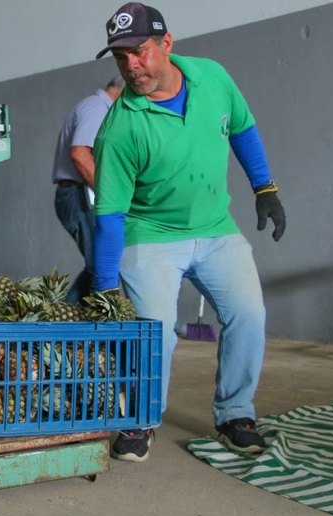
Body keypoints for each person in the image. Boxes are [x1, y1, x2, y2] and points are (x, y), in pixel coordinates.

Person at [92, 3, 286, 462]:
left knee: (249, 313)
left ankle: (235, 414)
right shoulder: (120, 128)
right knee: (154, 330)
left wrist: (265, 188)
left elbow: (242, 129)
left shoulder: (212, 78)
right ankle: (139, 419)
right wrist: (104, 288)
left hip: (216, 227)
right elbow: (110, 217)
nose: (131, 66)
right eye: (121, 58)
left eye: (139, 52)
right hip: (150, 233)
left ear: (166, 43)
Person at [51, 77, 125, 304]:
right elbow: (80, 154)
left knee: (98, 264)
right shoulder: (97, 108)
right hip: (79, 195)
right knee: (100, 264)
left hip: (79, 194)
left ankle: (65, 320)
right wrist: (108, 194)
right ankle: (66, 323)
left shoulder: (98, 108)